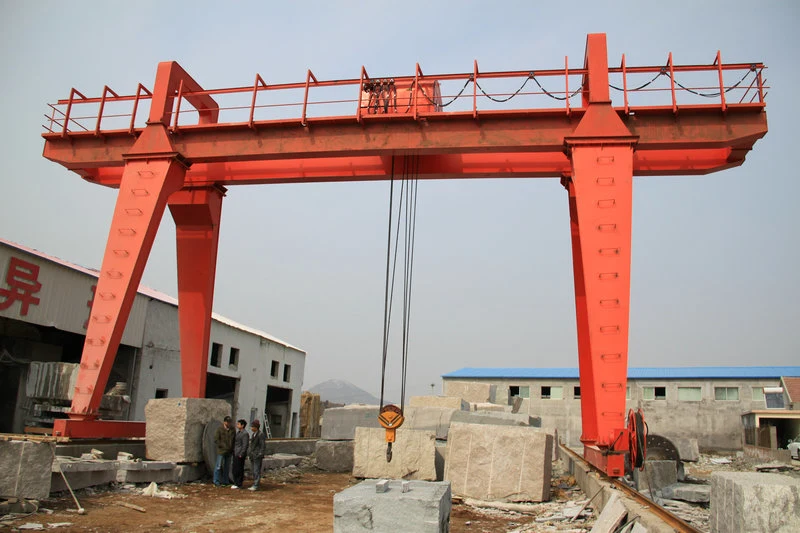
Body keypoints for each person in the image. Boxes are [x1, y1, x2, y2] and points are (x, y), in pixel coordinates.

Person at [213, 416, 235, 486]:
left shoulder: (232, 430)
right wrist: (222, 446)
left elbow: (234, 440)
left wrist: (232, 448)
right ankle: (216, 481)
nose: (229, 423)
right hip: (221, 451)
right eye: (228, 422)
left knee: (227, 467)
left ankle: (225, 481)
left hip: (229, 451)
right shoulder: (220, 429)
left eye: (230, 422)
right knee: (218, 466)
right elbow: (216, 439)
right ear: (225, 422)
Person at [231, 418, 249, 489]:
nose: (237, 425)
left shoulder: (245, 434)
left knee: (239, 469)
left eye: (238, 424)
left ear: (242, 425)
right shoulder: (238, 433)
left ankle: (238, 483)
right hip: (236, 452)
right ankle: (236, 482)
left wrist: (241, 453)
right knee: (235, 468)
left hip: (239, 454)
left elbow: (245, 445)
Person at [248, 419, 266, 491]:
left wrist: (260, 454)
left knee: (256, 470)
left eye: (253, 426)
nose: (251, 428)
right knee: (254, 470)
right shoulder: (253, 434)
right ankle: (255, 483)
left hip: (257, 456)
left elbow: (262, 446)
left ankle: (256, 484)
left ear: (256, 427)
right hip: (253, 455)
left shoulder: (260, 435)